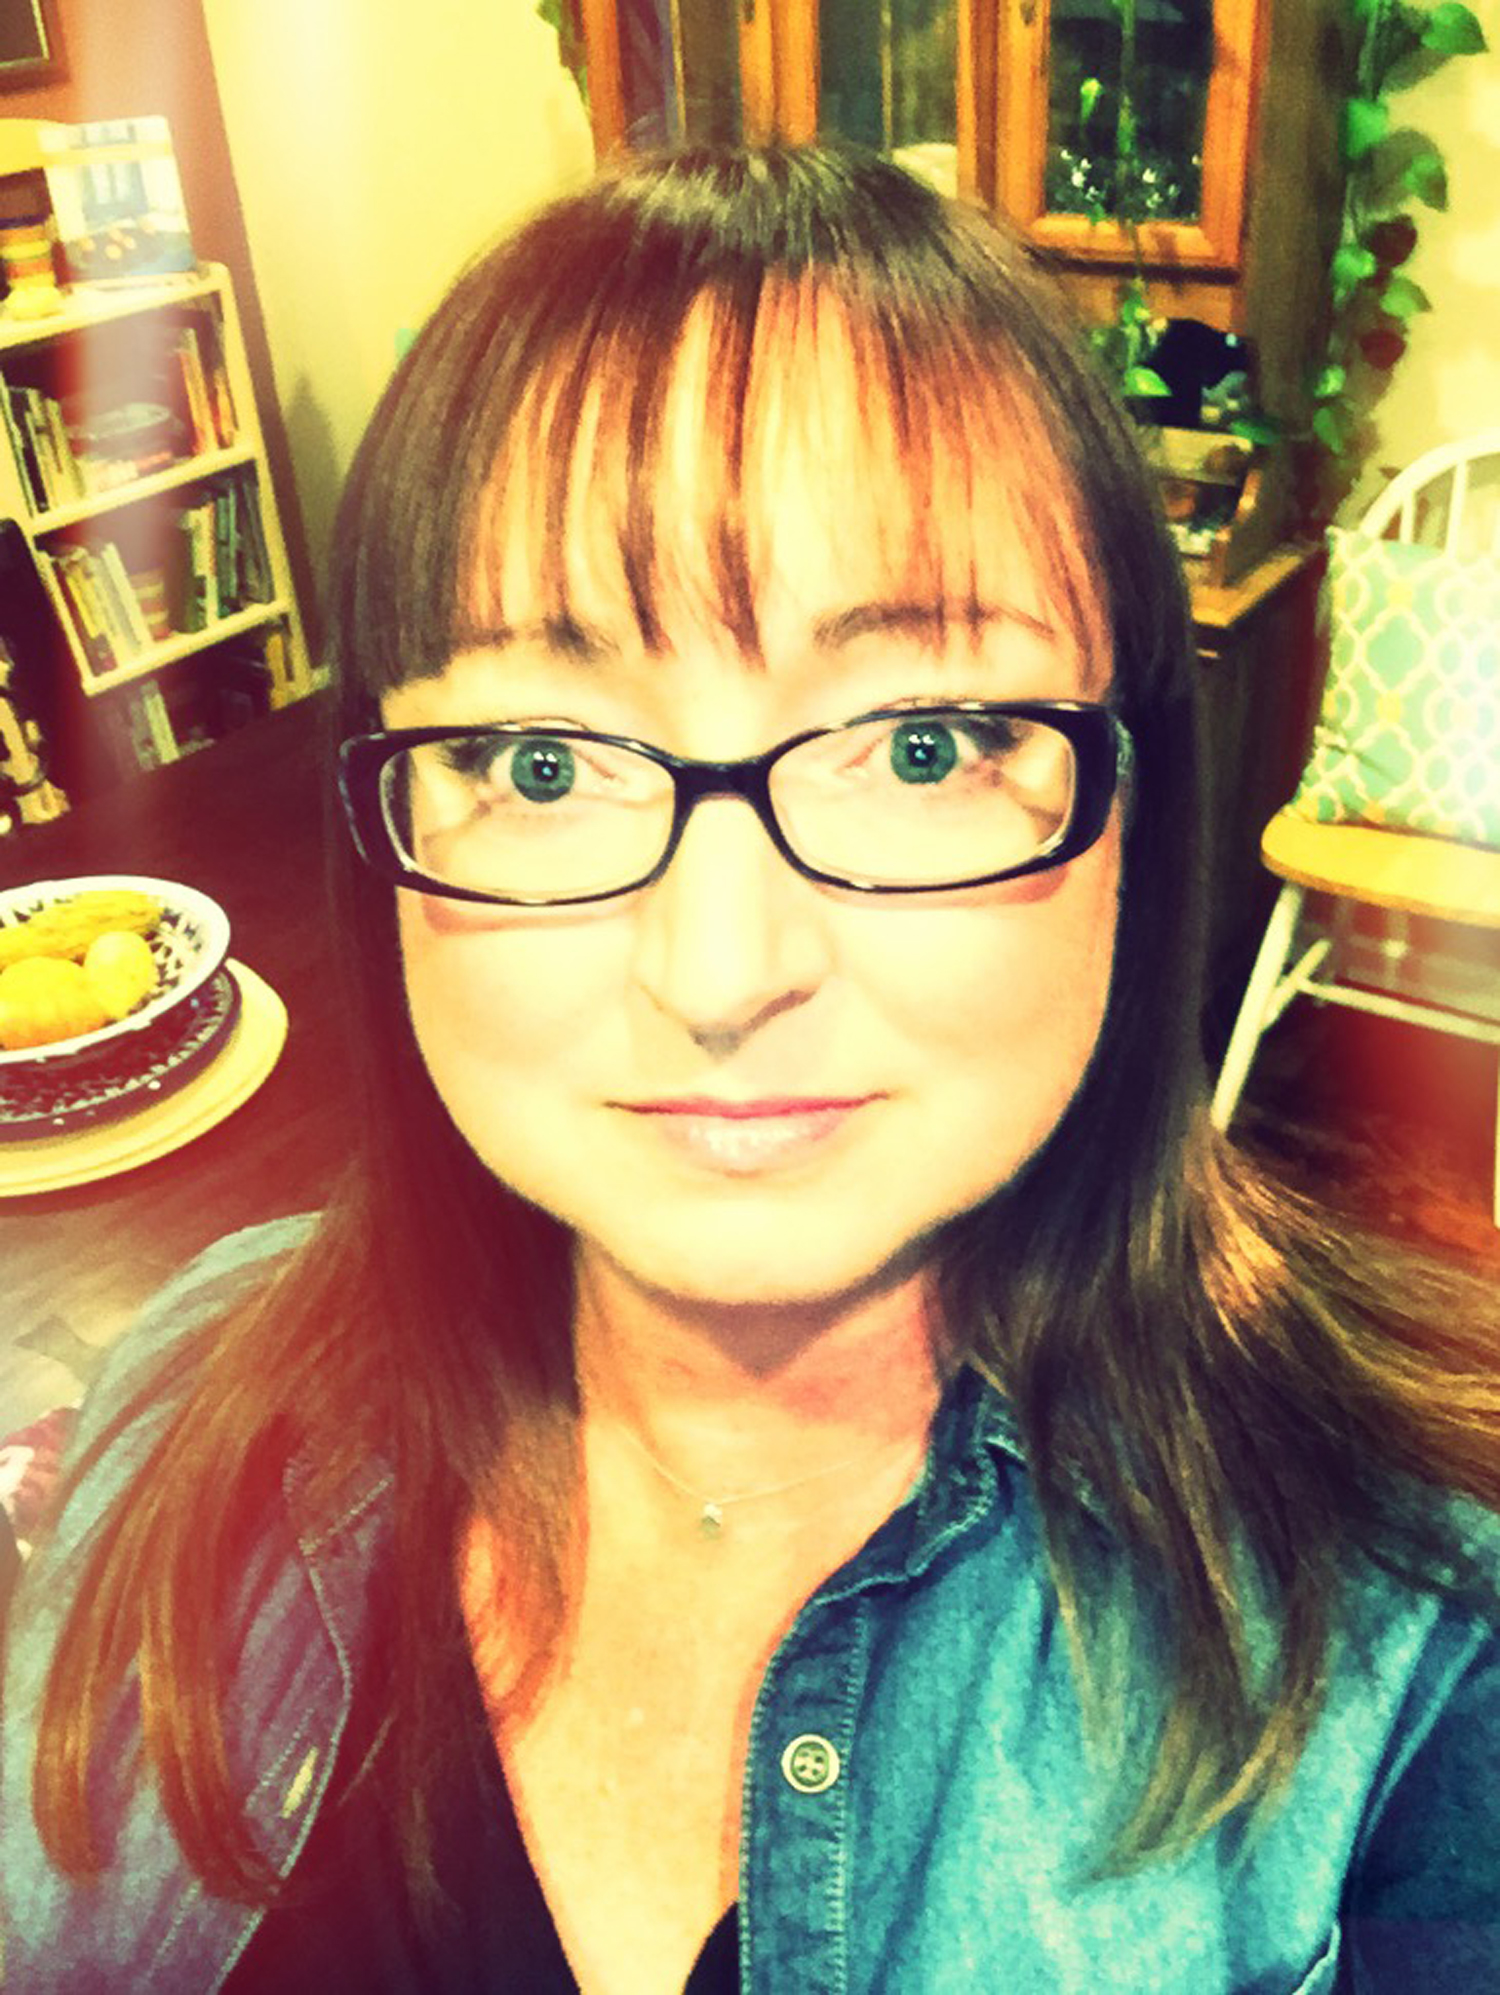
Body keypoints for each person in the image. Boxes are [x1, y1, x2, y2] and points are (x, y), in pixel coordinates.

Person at [3, 142, 1498, 1995]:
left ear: (1137, 805)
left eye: (927, 744)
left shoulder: (1429, 1656)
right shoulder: (191, 1392)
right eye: (540, 763)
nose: (720, 974)